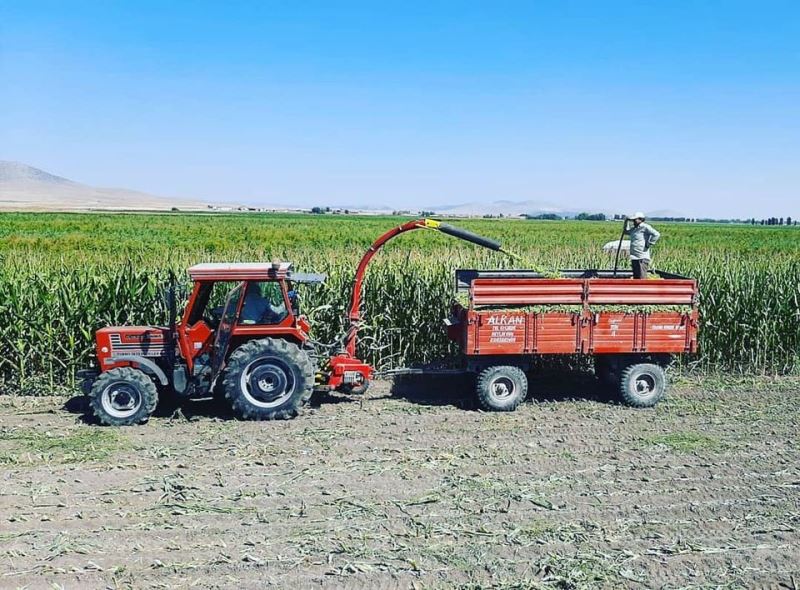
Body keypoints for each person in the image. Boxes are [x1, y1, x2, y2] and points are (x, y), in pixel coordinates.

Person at [624, 212, 660, 279]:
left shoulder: (645, 227)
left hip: (642, 257)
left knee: (641, 278)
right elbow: (625, 231)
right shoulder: (634, 228)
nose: (633, 221)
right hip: (634, 256)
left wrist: (649, 244)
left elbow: (656, 234)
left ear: (640, 219)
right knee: (636, 278)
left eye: (635, 220)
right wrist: (626, 221)